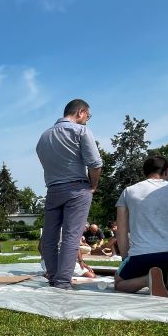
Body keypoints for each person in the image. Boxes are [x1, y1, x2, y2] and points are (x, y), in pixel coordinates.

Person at [36, 99, 102, 289]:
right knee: (71, 237)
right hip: (76, 188)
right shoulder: (81, 131)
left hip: (52, 189)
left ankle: (53, 276)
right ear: (81, 112)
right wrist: (93, 186)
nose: (87, 120)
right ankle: (63, 282)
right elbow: (95, 164)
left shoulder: (44, 136)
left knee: (49, 237)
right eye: (88, 116)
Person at [114, 156, 168, 298]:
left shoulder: (129, 191)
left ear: (144, 173)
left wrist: (125, 257)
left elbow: (121, 230)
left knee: (119, 283)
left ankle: (147, 279)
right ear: (166, 171)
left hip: (143, 254)